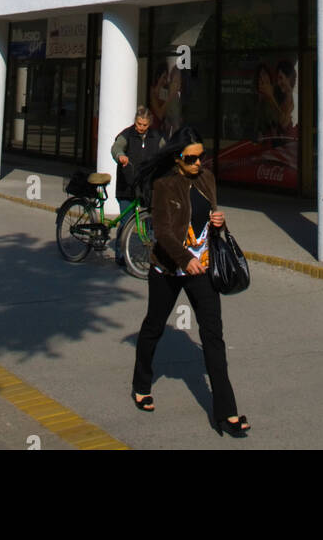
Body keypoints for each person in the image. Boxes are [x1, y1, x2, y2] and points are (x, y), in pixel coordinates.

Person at [131, 127, 250, 437]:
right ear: (177, 158)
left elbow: (208, 217)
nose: (199, 163)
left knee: (213, 336)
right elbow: (164, 231)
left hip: (204, 268)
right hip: (169, 270)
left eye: (202, 157)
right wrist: (185, 259)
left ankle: (227, 412)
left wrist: (218, 222)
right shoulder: (164, 185)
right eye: (192, 158)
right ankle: (141, 383)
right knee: (154, 327)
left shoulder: (207, 179)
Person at [110, 106, 163, 265]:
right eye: (138, 124)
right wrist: (121, 156)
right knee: (126, 221)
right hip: (127, 184)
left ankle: (152, 253)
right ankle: (120, 253)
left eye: (144, 125)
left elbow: (166, 150)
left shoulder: (156, 137)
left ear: (149, 124)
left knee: (151, 221)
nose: (141, 127)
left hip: (147, 186)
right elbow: (116, 148)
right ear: (135, 121)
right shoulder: (127, 134)